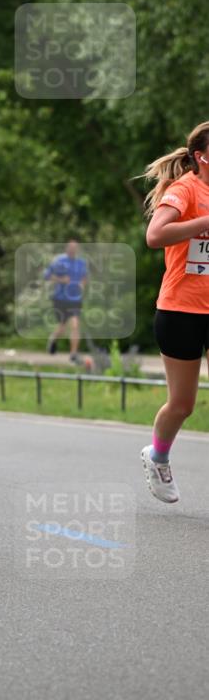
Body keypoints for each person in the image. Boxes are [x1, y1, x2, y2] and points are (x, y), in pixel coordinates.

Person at [140, 121, 209, 503]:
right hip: (182, 310)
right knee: (183, 404)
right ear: (202, 157)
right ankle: (158, 456)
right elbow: (154, 235)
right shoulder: (186, 189)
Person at [44, 239, 88, 363]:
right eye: (71, 248)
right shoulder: (59, 261)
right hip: (60, 298)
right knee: (62, 328)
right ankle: (53, 339)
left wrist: (82, 285)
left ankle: (73, 354)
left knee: (75, 325)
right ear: (67, 249)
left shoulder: (81, 262)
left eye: (75, 248)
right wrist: (61, 279)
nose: (73, 250)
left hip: (75, 299)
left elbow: (84, 277)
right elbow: (46, 275)